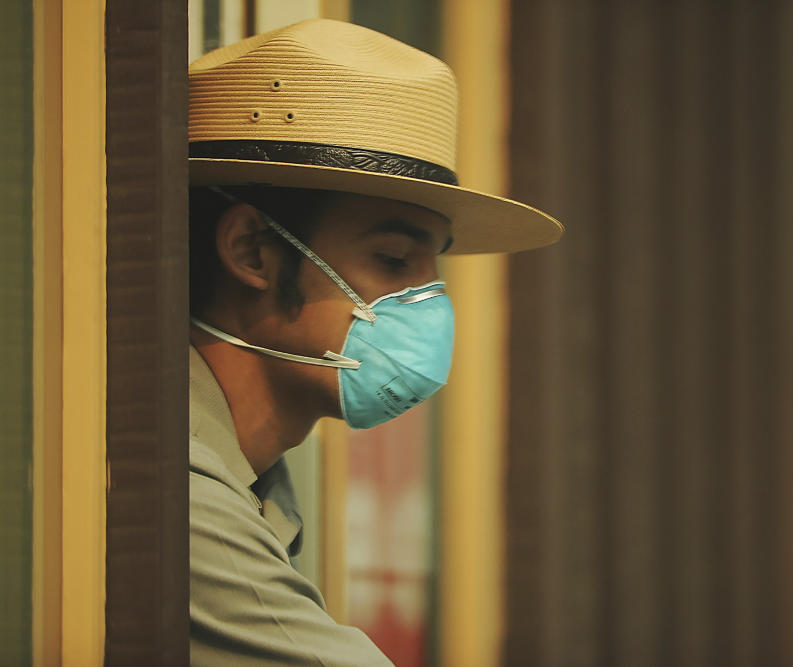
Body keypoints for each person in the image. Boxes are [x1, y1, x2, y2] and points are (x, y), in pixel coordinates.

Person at [186, 18, 563, 665]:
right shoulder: (182, 504)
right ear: (252, 250)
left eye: (433, 266)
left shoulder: (250, 484)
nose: (431, 302)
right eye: (393, 259)